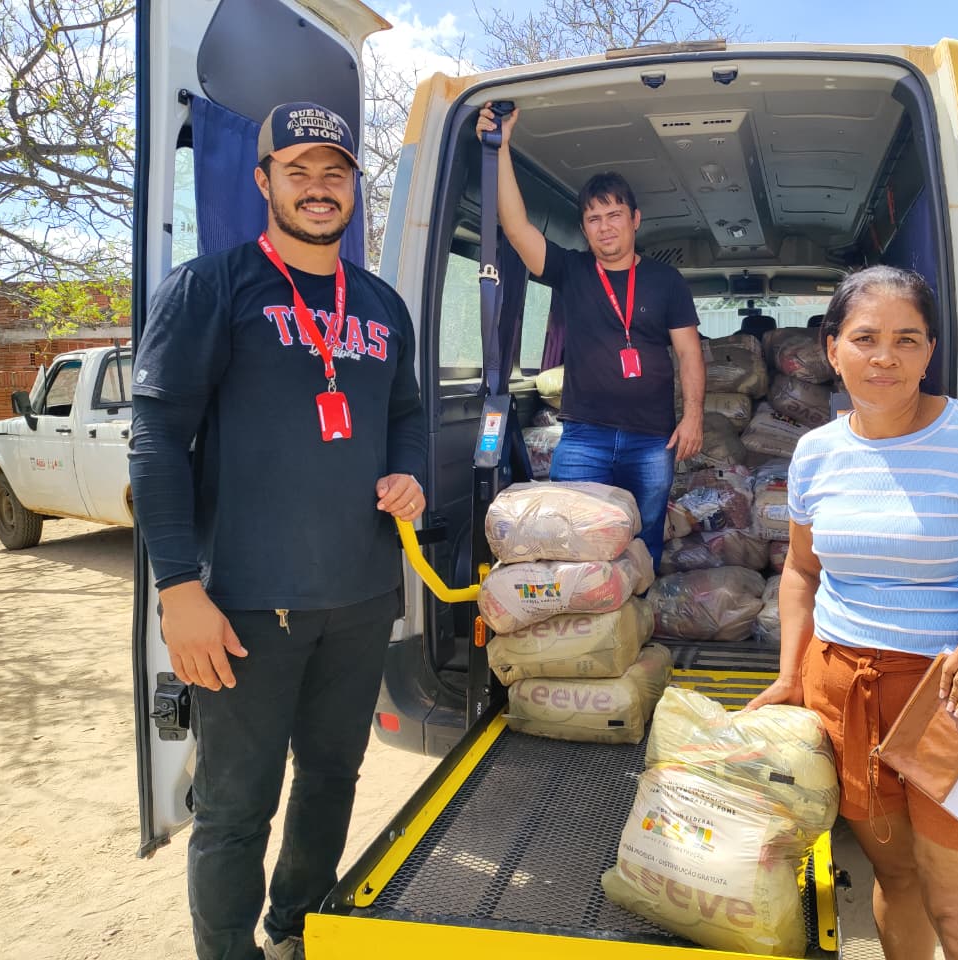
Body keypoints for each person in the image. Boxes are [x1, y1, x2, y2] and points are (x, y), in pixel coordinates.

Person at [129, 101, 427, 960]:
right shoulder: (211, 288)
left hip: (360, 597)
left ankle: (298, 925)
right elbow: (156, 439)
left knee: (333, 778)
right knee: (236, 807)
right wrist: (178, 589)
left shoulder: (382, 305)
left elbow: (404, 413)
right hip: (245, 607)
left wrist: (408, 472)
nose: (317, 187)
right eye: (297, 171)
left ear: (353, 189)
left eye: (334, 172)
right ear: (264, 181)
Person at [748, 266, 958, 960]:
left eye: (906, 340)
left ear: (930, 351)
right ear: (832, 348)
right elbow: (803, 571)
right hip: (844, 691)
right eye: (865, 338)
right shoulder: (815, 453)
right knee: (897, 879)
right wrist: (790, 677)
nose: (885, 358)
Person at [475, 103, 705, 569]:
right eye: (594, 219)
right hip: (584, 437)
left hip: (652, 439)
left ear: (635, 219)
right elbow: (516, 228)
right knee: (573, 545)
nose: (605, 227)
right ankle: (591, 618)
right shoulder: (571, 269)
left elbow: (688, 352)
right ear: (584, 228)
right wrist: (500, 148)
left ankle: (639, 611)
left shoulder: (666, 281)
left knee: (645, 538)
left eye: (614, 214)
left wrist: (694, 417)